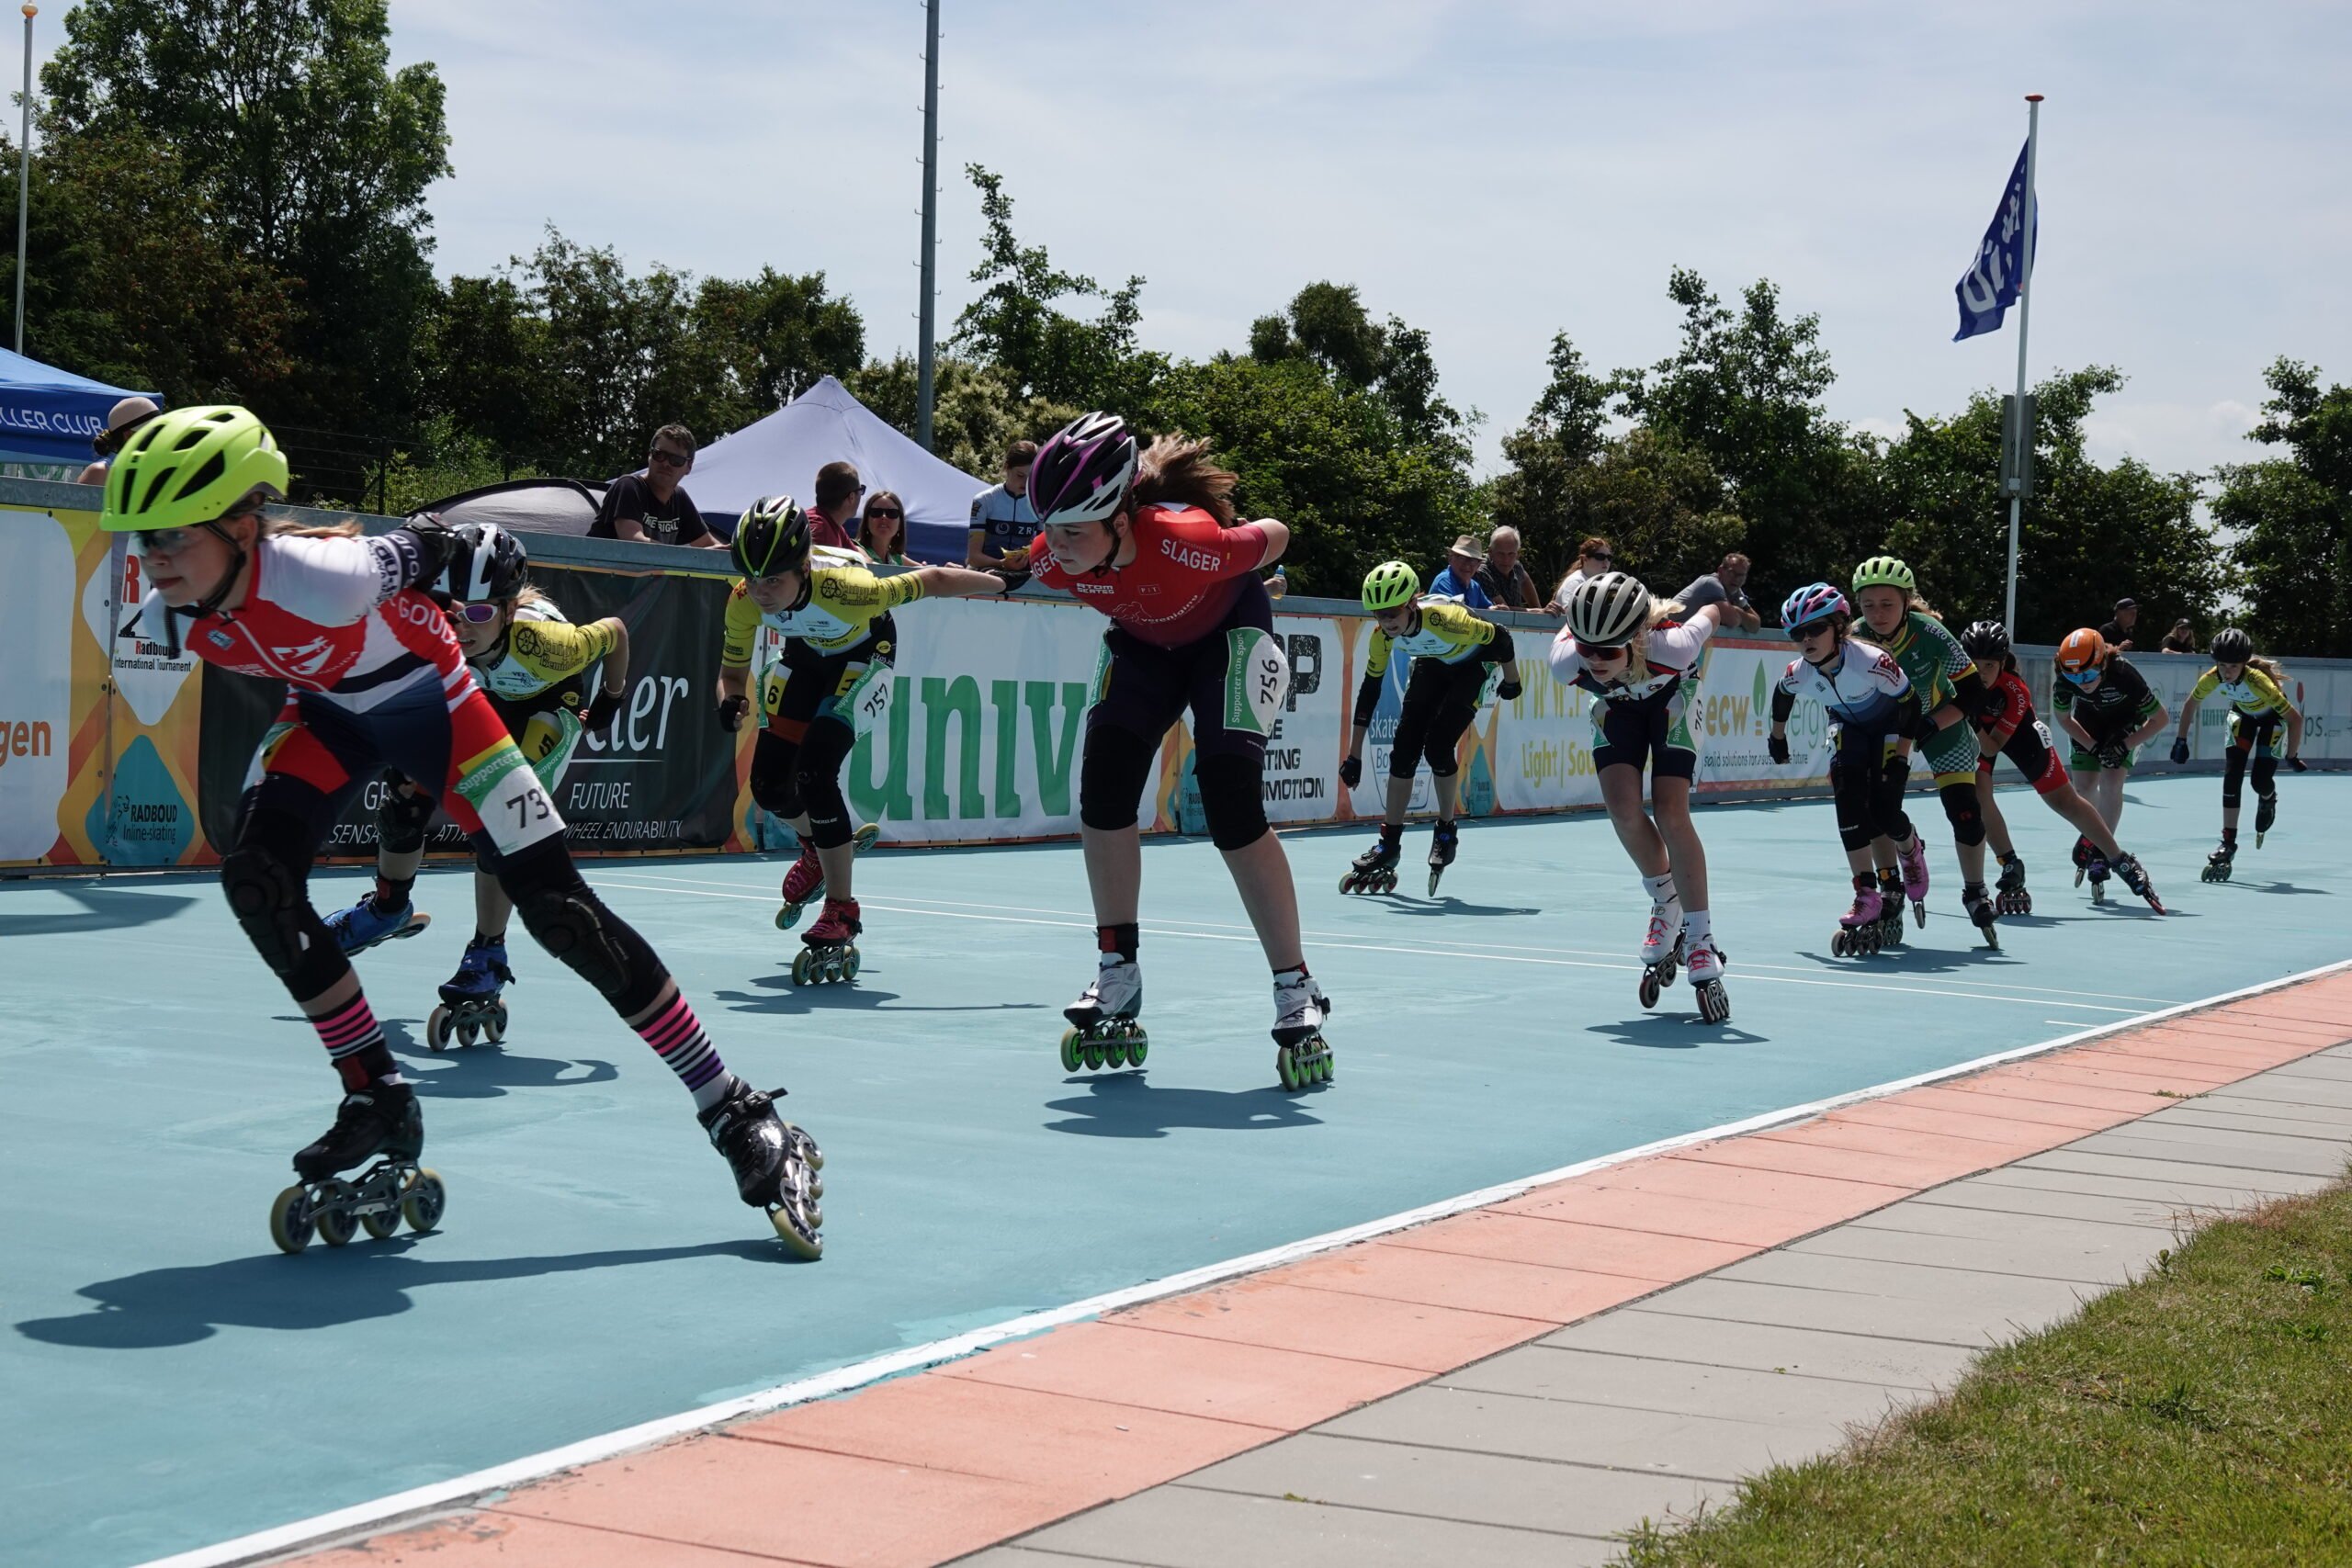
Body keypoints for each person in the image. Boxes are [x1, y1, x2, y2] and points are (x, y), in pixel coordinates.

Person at [102, 406, 822, 1257]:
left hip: (438, 706)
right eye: (141, 541)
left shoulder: (326, 574)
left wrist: (460, 555)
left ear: (241, 525)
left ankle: (732, 1103)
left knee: (558, 911)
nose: (153, 561)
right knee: (257, 879)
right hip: (332, 714)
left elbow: (438, 547)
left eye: (170, 539)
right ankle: (376, 1095)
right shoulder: (165, 615)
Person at [1016, 412, 1334, 1090]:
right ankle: (1117, 968)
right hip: (1144, 649)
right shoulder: (1052, 554)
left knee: (1229, 805)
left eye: (1075, 531)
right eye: (1052, 527)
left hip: (1229, 637)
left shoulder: (1187, 539)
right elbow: (1013, 575)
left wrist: (1249, 542)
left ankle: (1294, 981)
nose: (1059, 546)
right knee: (1102, 793)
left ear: (1122, 520)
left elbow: (1276, 534)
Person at [320, 524, 639, 1039]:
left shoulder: (548, 645)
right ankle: (386, 907)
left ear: (510, 611)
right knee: (405, 789)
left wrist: (612, 698)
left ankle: (488, 953)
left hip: (547, 703)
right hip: (480, 692)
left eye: (480, 613)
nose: (461, 626)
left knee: (503, 816)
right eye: (451, 610)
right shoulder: (428, 632)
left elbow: (617, 632)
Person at [714, 496, 1016, 984]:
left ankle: (842, 908)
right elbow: (730, 673)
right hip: (807, 654)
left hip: (864, 652)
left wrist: (1003, 582)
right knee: (770, 787)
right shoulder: (744, 601)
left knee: (815, 770)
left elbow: (935, 581)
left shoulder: (849, 589)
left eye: (774, 580)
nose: (762, 592)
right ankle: (818, 847)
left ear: (802, 566)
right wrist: (730, 699)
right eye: (753, 579)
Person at [1547, 571, 1731, 1019]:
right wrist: (1596, 652)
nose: (1594, 661)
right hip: (1619, 707)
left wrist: (1714, 600)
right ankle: (1666, 896)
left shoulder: (1675, 645)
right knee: (1623, 810)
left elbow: (1712, 601)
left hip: (1674, 694)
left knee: (1670, 812)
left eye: (1607, 651)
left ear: (1638, 637)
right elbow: (1586, 648)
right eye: (1587, 649)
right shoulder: (1566, 661)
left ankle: (1701, 935)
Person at [1338, 560, 1521, 897]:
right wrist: (1354, 755)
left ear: (1411, 603)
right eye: (1379, 615)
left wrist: (1512, 681)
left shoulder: (1446, 620)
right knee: (1403, 750)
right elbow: (1369, 692)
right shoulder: (1382, 639)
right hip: (1433, 664)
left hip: (1472, 665)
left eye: (1392, 612)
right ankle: (1389, 843)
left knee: (1438, 745)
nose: (1387, 622)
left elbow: (1503, 638)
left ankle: (1446, 829)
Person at [1849, 557, 2004, 946]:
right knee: (1876, 809)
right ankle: (1890, 885)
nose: (1877, 614)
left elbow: (1972, 691)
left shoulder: (1929, 632)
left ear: (1906, 602)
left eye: (1887, 604)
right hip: (1886, 728)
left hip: (1939, 722)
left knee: (1965, 811)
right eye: (1868, 605)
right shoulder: (1854, 636)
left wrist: (1931, 724)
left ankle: (1975, 890)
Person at [1958, 620, 2163, 914]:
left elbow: (1992, 747)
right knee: (1978, 794)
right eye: (1974, 665)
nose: (1982, 673)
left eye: (1989, 665)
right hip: (1980, 733)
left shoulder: (2015, 691)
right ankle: (2010, 863)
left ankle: (2119, 858)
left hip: (2017, 736)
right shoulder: (1955, 680)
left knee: (2064, 800)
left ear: (2003, 663)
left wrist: (1968, 714)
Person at [1769, 583, 1917, 957]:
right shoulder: (1799, 670)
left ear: (1838, 626)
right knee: (1848, 800)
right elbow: (1782, 694)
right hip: (1848, 727)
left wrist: (1901, 756)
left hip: (1887, 725)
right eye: (1797, 634)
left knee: (1884, 811)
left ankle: (1910, 847)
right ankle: (1867, 892)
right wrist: (1778, 737)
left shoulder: (1869, 659)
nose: (1806, 640)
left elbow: (1910, 704)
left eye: (1815, 629)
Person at [2170, 627, 2306, 883]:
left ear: (2244, 663)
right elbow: (2190, 704)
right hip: (2242, 717)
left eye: (2233, 666)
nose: (2227, 672)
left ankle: (2268, 796)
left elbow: (2295, 719)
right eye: (2222, 665)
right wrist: (2180, 740)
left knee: (2258, 781)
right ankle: (2228, 841)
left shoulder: (2259, 681)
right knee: (2232, 775)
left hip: (2271, 721)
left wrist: (2292, 755)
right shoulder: (2212, 677)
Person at [2051, 626, 2170, 889]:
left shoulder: (2123, 673)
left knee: (2111, 784)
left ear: (2103, 663)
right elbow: (2063, 719)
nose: (2083, 682)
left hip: (2125, 725)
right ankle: (2092, 830)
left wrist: (2125, 744)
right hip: (2088, 724)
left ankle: (2101, 852)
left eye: (2090, 673)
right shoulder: (2064, 679)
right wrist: (2092, 746)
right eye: (2075, 678)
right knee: (2082, 788)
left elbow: (2160, 718)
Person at [593, 425, 724, 548]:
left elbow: (707, 544)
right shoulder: (629, 486)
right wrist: (681, 557)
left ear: (689, 467)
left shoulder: (679, 498)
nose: (666, 464)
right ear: (649, 455)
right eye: (660, 455)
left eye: (676, 460)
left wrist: (735, 555)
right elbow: (633, 541)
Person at [967, 439, 1039, 569]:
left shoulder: (1039, 503)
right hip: (986, 570)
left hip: (1023, 571)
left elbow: (1045, 552)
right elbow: (974, 558)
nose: (1026, 483)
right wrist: (1002, 564)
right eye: (1020, 475)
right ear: (1007, 467)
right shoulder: (984, 500)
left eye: (1031, 477)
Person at [77, 395, 161, 486]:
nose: (159, 437)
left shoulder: (153, 470)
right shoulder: (101, 472)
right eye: (152, 432)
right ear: (128, 435)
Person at [1674, 553, 1763, 632]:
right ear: (1720, 570)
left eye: (1741, 575)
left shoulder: (1735, 590)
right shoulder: (1711, 583)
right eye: (1732, 573)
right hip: (1668, 631)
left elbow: (1756, 626)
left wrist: (1737, 611)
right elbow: (1731, 620)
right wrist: (1738, 612)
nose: (1737, 578)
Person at [1473, 525, 1544, 611]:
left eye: (1511, 554)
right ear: (1490, 552)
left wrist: (1539, 609)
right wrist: (1536, 611)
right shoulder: (1481, 573)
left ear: (1518, 554)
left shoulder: (1517, 567)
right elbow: (1504, 610)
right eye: (1500, 554)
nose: (1506, 560)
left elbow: (1525, 582)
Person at [807, 461, 865, 552]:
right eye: (860, 490)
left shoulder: (835, 525)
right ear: (852, 497)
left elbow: (859, 555)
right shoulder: (819, 529)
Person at [1546, 537, 1614, 613]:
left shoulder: (1599, 582)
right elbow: (1568, 612)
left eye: (1609, 557)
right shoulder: (1576, 581)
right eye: (1600, 557)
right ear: (1585, 559)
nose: (1606, 561)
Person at [1427, 535, 1493, 608]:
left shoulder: (1475, 586)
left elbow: (1487, 608)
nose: (1467, 565)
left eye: (1472, 560)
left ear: (1478, 565)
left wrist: (1495, 610)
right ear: (1450, 559)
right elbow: (1455, 614)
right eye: (1462, 558)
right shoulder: (1443, 582)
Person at [856, 490, 911, 566]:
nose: (884, 517)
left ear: (900, 524)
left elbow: (924, 569)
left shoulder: (896, 558)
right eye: (876, 512)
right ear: (866, 521)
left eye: (892, 513)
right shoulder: (854, 550)